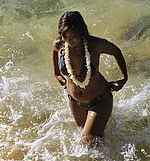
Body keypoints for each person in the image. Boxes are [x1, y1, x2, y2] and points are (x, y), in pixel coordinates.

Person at [52, 11, 128, 146]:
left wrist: (124, 78)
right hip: (75, 102)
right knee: (90, 142)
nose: (70, 40)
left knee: (86, 143)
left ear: (82, 32)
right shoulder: (60, 45)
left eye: (74, 35)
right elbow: (55, 53)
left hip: (99, 100)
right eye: (65, 36)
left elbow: (116, 52)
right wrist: (57, 74)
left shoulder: (95, 45)